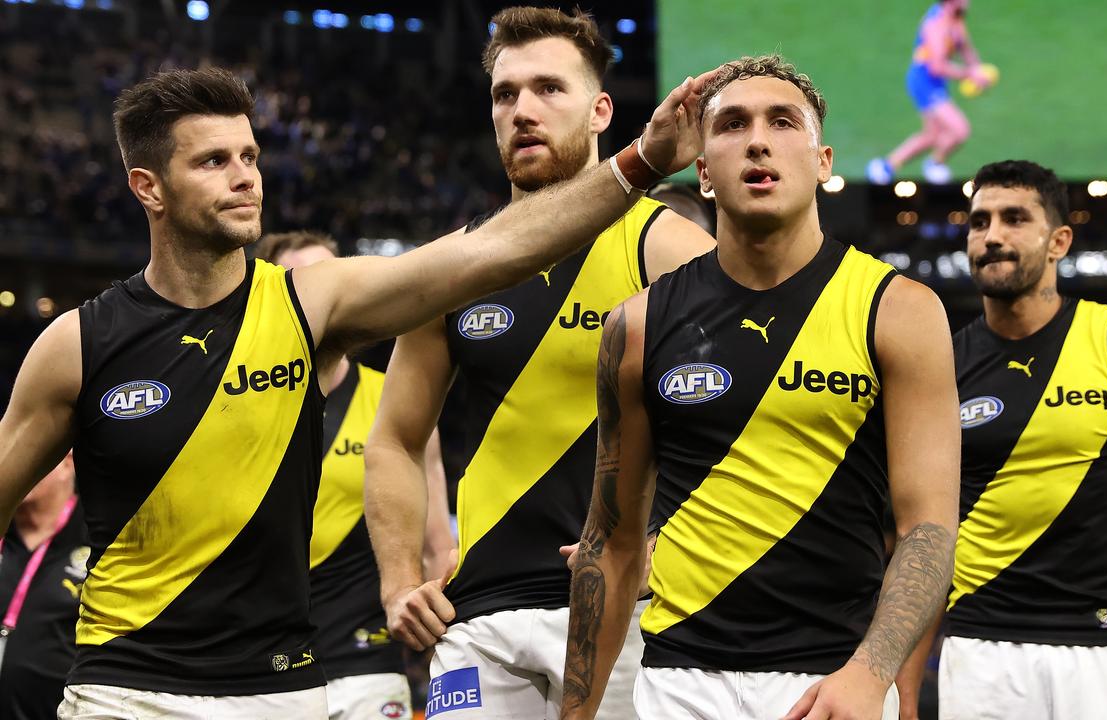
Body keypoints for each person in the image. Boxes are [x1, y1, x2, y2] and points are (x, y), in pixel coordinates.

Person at [0, 64, 709, 719]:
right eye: (213, 161)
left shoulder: (312, 304)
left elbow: (490, 253)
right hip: (123, 692)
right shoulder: (77, 345)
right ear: (147, 187)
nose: (246, 177)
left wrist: (640, 161)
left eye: (249, 156)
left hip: (286, 691)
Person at [558, 54, 961, 720]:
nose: (757, 140)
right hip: (678, 685)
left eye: (782, 122)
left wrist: (871, 673)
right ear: (705, 171)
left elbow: (928, 530)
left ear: (824, 160)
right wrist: (575, 716)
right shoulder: (636, 325)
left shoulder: (899, 310)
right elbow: (612, 542)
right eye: (732, 125)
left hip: (835, 684)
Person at [364, 8, 716, 720]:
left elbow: (749, 422)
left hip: (630, 612)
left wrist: (666, 541)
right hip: (478, 616)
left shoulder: (666, 247)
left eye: (549, 89)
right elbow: (395, 439)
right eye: (505, 94)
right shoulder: (456, 266)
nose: (523, 110)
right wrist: (401, 582)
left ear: (600, 110)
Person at [896, 160, 1107, 720]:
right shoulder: (941, 365)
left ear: (1059, 241)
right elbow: (928, 534)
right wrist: (906, 685)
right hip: (984, 654)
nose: (992, 236)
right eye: (979, 223)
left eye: (1013, 219)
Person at [256, 230, 455, 720]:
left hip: (366, 661)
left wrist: (439, 655)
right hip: (257, 667)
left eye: (336, 276)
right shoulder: (235, 402)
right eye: (306, 281)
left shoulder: (395, 399)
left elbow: (434, 546)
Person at [0, 453, 85, 720]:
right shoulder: (3, 530)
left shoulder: (99, 536)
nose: (20, 469)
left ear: (68, 462)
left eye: (33, 457)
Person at [866, 0, 987, 185]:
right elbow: (937, 67)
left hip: (936, 83)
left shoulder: (956, 16)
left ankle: (885, 166)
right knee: (960, 130)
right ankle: (934, 164)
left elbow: (965, 46)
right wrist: (969, 73)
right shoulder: (935, 25)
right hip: (924, 83)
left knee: (931, 135)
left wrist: (979, 69)